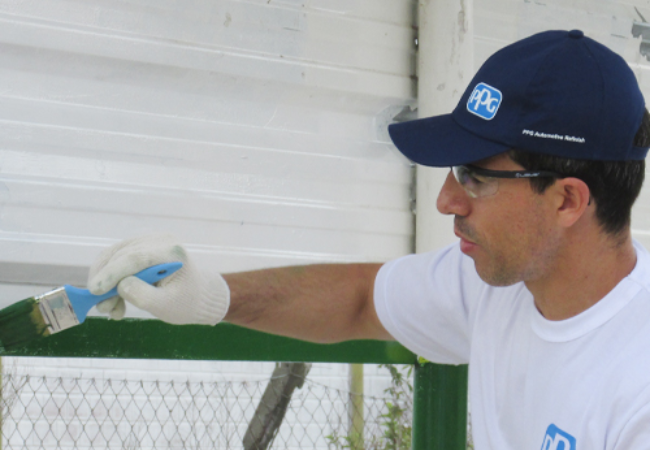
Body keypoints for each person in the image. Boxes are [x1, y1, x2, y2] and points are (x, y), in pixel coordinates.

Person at [87, 30, 650, 449]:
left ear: (568, 201)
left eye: (475, 177)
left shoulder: (636, 389)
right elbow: (360, 298)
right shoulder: (498, 286)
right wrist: (211, 296)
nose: (447, 201)